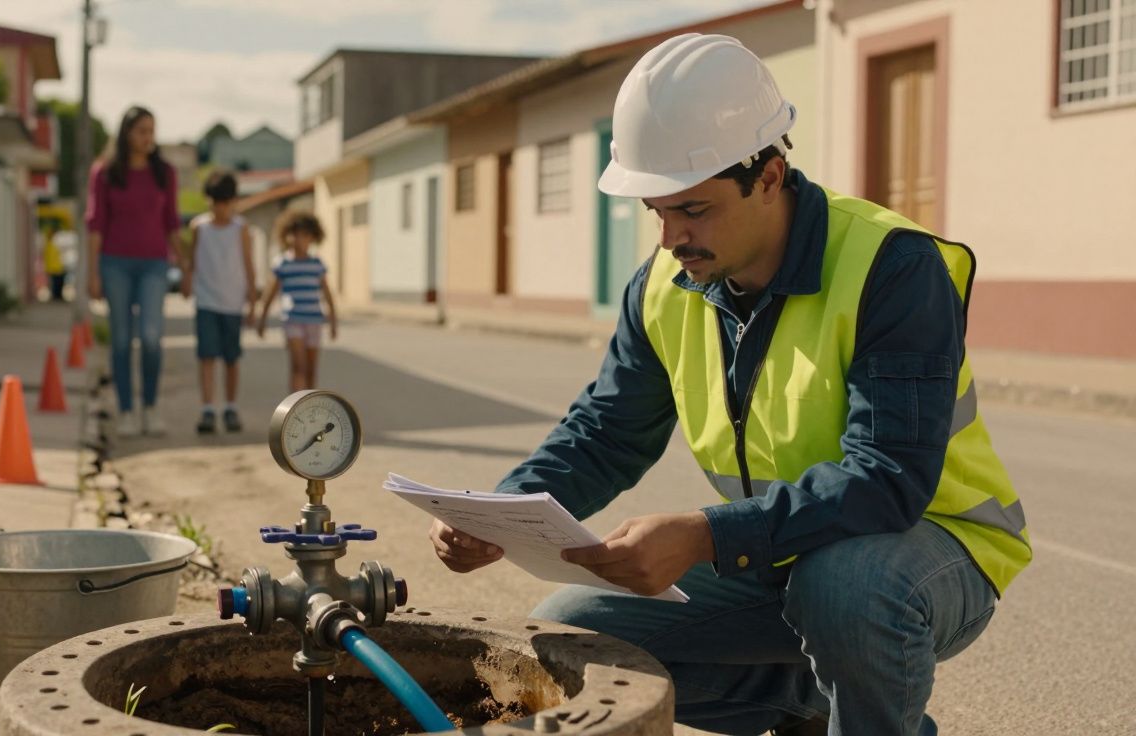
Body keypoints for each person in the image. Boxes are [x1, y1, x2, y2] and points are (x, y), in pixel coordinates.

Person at [427, 35, 1030, 736]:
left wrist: (706, 534)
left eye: (694, 210)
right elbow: (607, 433)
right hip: (786, 551)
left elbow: (888, 477)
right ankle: (810, 708)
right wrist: (501, 512)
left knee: (844, 587)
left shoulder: (892, 267)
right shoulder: (664, 286)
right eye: (658, 212)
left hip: (926, 549)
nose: (671, 238)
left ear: (769, 176)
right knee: (573, 635)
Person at [86, 106, 180, 438]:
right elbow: (95, 224)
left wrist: (186, 266)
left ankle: (150, 407)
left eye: (152, 131)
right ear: (126, 133)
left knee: (152, 338)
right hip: (114, 264)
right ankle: (126, 411)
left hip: (154, 264)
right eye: (142, 131)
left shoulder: (164, 173)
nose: (148, 138)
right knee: (122, 340)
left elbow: (171, 222)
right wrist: (93, 272)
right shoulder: (105, 172)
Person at [180, 171, 258, 434]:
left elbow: (248, 263)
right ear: (209, 201)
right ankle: (207, 409)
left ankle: (231, 406)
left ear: (234, 201)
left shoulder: (241, 228)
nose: (222, 208)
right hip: (206, 301)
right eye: (217, 202)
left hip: (232, 303)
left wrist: (252, 299)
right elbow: (192, 259)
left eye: (226, 203)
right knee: (207, 356)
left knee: (231, 358)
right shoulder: (199, 227)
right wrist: (187, 280)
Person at [256, 211, 337, 391]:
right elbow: (271, 293)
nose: (300, 239)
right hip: (293, 319)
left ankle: (309, 406)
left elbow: (327, 293)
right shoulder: (283, 263)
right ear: (288, 235)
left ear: (313, 237)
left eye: (306, 235)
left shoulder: (317, 264)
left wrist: (333, 320)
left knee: (311, 368)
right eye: (297, 234)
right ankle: (294, 407)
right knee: (298, 367)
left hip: (314, 320)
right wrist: (262, 318)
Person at [42, 224, 66, 301]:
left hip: (58, 268)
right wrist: (47, 269)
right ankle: (55, 297)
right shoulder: (48, 245)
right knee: (55, 285)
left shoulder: (54, 244)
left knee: (59, 284)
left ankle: (58, 296)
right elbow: (47, 258)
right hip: (52, 269)